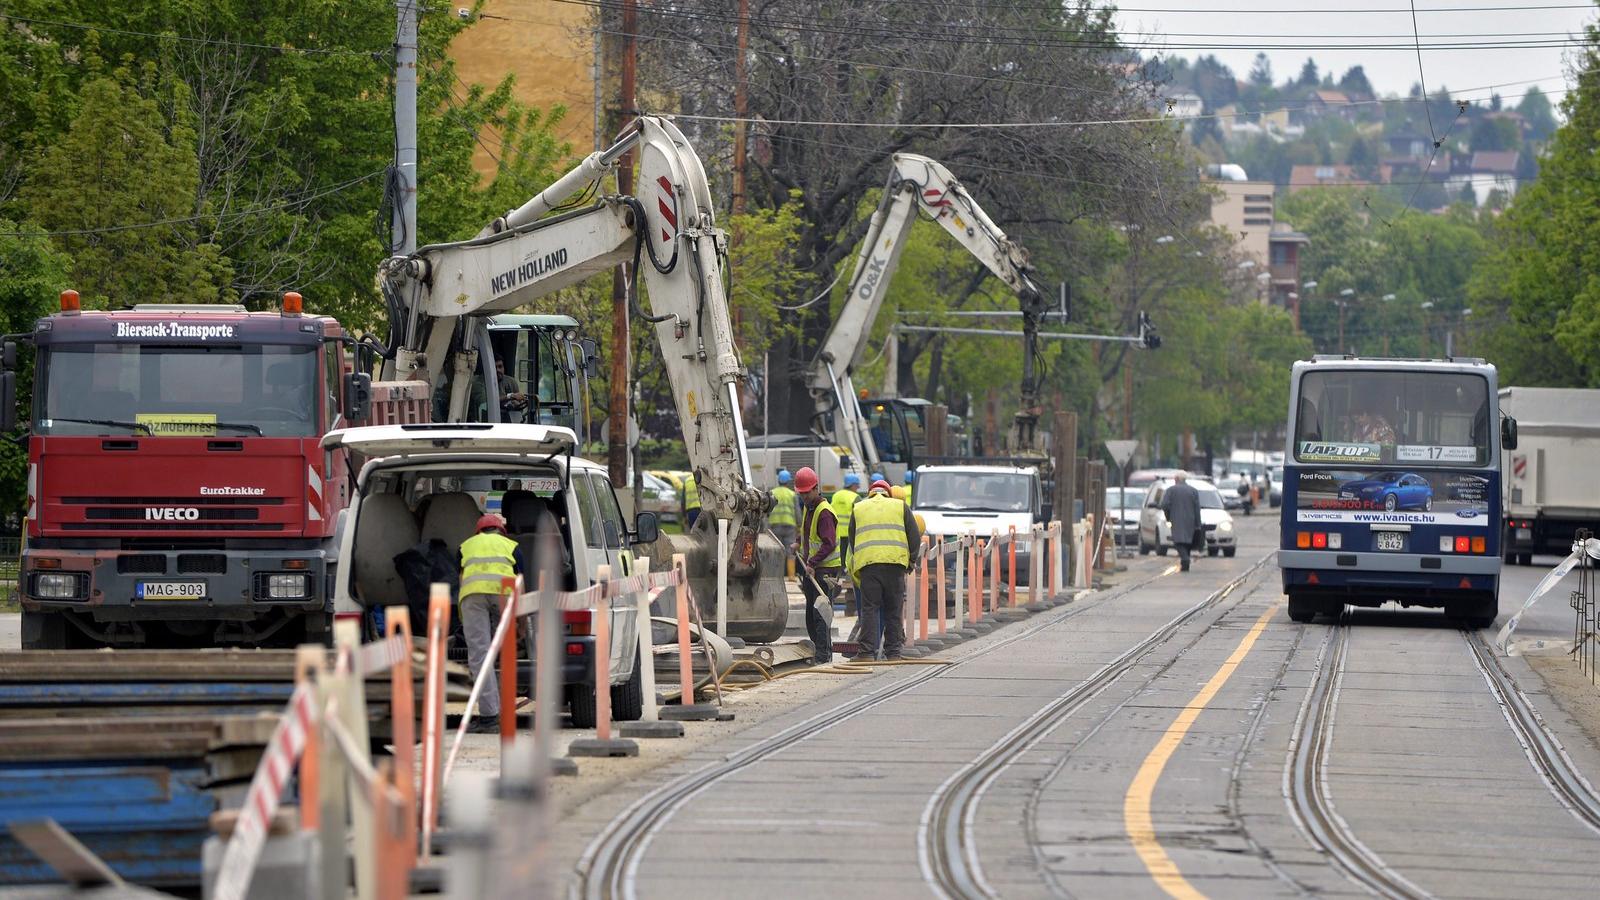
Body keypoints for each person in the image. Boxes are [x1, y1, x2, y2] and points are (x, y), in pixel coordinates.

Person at [457, 513, 527, 733]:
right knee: (507, 652)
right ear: (500, 531)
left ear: (478, 532)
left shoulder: (465, 546)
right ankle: (505, 709)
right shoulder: (512, 546)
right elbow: (520, 587)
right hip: (504, 592)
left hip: (473, 595)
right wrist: (522, 624)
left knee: (480, 655)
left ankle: (489, 717)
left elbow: (461, 581)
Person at [847, 479, 920, 661]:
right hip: (895, 565)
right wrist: (910, 561)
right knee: (894, 609)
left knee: (870, 608)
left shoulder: (859, 508)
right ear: (888, 492)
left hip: (869, 566)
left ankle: (866, 653)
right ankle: (893, 653)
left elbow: (852, 539)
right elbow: (914, 536)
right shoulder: (900, 507)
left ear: (870, 493)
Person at [792, 467, 839, 665]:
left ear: (816, 488)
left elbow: (829, 543)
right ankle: (817, 652)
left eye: (806, 492)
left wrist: (812, 562)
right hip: (812, 570)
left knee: (821, 615)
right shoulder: (808, 508)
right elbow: (807, 532)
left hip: (825, 571)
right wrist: (797, 542)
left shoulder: (825, 512)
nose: (804, 496)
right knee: (811, 615)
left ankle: (823, 655)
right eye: (801, 493)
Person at [831, 473, 863, 612]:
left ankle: (838, 579)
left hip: (837, 532)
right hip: (850, 533)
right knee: (849, 559)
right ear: (854, 485)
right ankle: (846, 576)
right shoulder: (855, 497)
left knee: (840, 560)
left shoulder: (836, 495)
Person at [1160, 472, 1202, 572]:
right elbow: (1197, 509)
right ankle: (1185, 564)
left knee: (1178, 541)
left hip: (1176, 519)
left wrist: (1168, 516)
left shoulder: (1170, 490)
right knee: (1187, 542)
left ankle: (1185, 559)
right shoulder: (1193, 491)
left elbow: (1165, 505)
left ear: (1177, 479)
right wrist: (1198, 524)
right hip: (1190, 520)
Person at [769, 469, 800, 561]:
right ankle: (790, 575)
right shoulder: (792, 494)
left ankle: (776, 574)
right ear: (788, 481)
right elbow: (797, 511)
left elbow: (766, 512)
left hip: (775, 526)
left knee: (776, 551)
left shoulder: (772, 493)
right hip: (789, 527)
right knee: (790, 552)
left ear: (779, 480)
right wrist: (799, 525)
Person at [495, 357, 528, 422]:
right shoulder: (481, 382)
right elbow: (485, 402)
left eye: (500, 366)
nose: (498, 370)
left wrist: (516, 404)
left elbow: (519, 404)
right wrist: (510, 396)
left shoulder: (511, 381)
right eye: (495, 367)